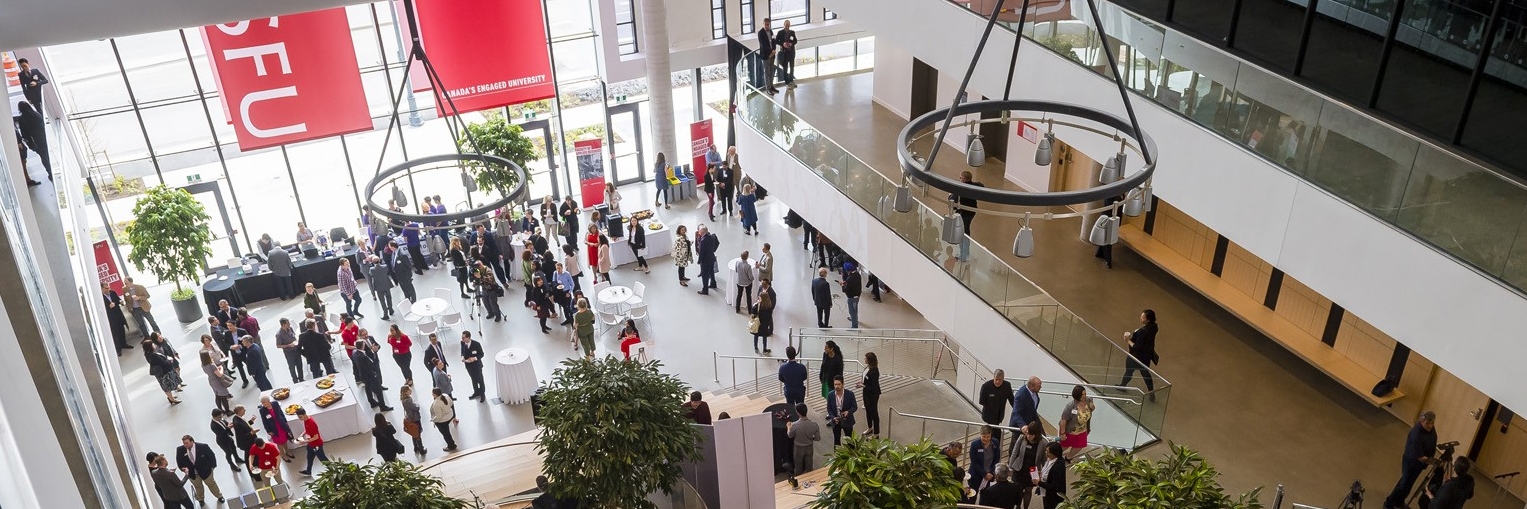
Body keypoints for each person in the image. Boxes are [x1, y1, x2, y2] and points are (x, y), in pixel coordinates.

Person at [1385, 411, 1439, 509]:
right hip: (1411, 462)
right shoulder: (1416, 434)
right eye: (1428, 423)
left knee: (1409, 484)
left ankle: (1400, 501)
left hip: (1420, 464)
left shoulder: (1431, 430)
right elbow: (1416, 454)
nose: (1430, 426)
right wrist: (1428, 460)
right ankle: (1389, 503)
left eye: (1432, 423)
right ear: (1421, 421)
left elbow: (1433, 442)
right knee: (1403, 483)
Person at [1007, 420, 1049, 509]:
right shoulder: (1022, 438)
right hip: (1019, 469)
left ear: (1036, 435)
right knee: (1018, 490)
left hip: (1032, 471)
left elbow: (1044, 460)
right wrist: (1010, 468)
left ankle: (1026, 507)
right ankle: (1017, 506)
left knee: (1028, 490)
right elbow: (1014, 453)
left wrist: (1043, 472)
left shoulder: (1043, 443)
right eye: (1028, 433)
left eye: (1031, 434)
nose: (1029, 436)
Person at [175, 435, 225, 505]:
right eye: (184, 443)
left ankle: (219, 496)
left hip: (206, 472)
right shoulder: (180, 450)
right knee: (198, 487)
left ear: (192, 441)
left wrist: (212, 467)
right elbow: (179, 462)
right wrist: (182, 469)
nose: (185, 445)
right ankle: (201, 499)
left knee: (211, 484)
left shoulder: (203, 447)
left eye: (187, 443)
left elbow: (211, 457)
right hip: (192, 474)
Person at [1120, 309, 1159, 397]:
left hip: (1136, 356)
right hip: (1146, 356)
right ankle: (1151, 393)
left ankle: (1123, 386)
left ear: (1148, 320)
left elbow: (1137, 347)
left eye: (1143, 317)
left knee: (1129, 371)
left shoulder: (1142, 332)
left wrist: (1128, 340)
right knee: (1145, 373)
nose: (1141, 318)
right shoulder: (1154, 327)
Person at [948, 170, 986, 261]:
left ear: (963, 179)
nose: (959, 179)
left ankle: (963, 255)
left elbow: (952, 199)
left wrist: (950, 195)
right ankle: (965, 253)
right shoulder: (974, 186)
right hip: (971, 212)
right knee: (966, 230)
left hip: (963, 213)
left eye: (960, 178)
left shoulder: (961, 189)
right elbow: (981, 185)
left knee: (963, 233)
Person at [15, 102, 51, 180]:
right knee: (47, 155)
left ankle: (49, 172)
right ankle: (50, 171)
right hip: (43, 138)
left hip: (35, 141)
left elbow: (24, 133)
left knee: (43, 157)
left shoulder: (22, 119)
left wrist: (29, 143)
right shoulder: (37, 115)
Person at [1057, 386, 1094, 460]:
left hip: (1082, 429)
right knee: (1064, 446)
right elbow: (1063, 420)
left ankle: (1068, 457)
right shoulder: (1070, 406)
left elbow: (1091, 407)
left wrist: (1092, 406)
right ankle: (1054, 457)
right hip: (1070, 431)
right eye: (1082, 394)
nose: (1084, 396)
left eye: (1085, 393)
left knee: (1079, 446)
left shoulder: (1088, 400)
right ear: (1077, 395)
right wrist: (1062, 433)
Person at [145, 336, 184, 405]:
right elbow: (163, 363)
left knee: (165, 386)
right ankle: (171, 399)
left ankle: (170, 397)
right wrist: (170, 360)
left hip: (160, 373)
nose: (154, 345)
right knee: (166, 386)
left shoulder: (147, 354)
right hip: (163, 373)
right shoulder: (154, 355)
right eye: (152, 344)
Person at [355, 339, 392, 410]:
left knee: (368, 388)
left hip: (363, 376)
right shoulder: (364, 357)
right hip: (370, 376)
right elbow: (368, 367)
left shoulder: (355, 353)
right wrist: (374, 374)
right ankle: (382, 406)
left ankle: (372, 402)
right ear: (363, 346)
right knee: (378, 391)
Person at [980, 370, 1014, 445]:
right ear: (993, 377)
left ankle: (994, 444)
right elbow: (982, 401)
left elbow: (1012, 399)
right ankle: (993, 445)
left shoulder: (1007, 385)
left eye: (1000, 380)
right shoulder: (986, 386)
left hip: (999, 415)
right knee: (995, 431)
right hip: (989, 414)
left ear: (1003, 379)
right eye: (996, 379)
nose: (997, 382)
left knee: (995, 430)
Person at [257, 396, 296, 462]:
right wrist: (268, 431)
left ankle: (287, 451)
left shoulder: (275, 404)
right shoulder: (262, 410)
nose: (263, 404)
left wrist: (285, 422)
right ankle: (282, 454)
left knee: (285, 440)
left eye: (264, 402)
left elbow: (281, 413)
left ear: (268, 401)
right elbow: (264, 421)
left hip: (281, 425)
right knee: (279, 443)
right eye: (262, 403)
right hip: (274, 428)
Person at [1009, 377, 1042, 453]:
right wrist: (1023, 425)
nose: (1040, 387)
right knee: (1015, 447)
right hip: (1019, 425)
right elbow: (1016, 413)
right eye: (1038, 386)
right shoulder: (1021, 395)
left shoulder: (1034, 392)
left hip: (1031, 421)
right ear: (1031, 386)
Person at [787, 403, 821, 474]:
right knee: (809, 467)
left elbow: (790, 435)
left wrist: (788, 426)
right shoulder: (814, 424)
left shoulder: (795, 425)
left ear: (798, 413)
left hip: (798, 448)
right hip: (809, 447)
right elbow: (818, 438)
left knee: (798, 467)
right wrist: (811, 438)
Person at [295, 408, 330, 476]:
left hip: (316, 445)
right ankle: (308, 471)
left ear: (304, 414)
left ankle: (333, 470)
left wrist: (305, 441)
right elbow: (307, 429)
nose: (300, 418)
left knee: (323, 459)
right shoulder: (306, 419)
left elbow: (316, 437)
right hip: (311, 444)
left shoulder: (311, 423)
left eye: (300, 417)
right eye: (298, 417)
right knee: (309, 457)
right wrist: (302, 435)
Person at [968, 426, 1002, 493]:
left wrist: (991, 472)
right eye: (983, 436)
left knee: (986, 495)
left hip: (990, 475)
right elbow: (974, 462)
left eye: (988, 437)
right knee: (972, 494)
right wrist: (984, 474)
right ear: (980, 435)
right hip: (976, 473)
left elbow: (996, 459)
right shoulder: (974, 444)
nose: (986, 439)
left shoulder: (995, 442)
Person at [1033, 443, 1067, 509]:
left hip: (1053, 497)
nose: (1046, 453)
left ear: (1055, 453)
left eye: (1048, 452)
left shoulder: (1058, 466)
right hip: (1046, 492)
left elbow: (1055, 486)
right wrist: (1041, 473)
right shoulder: (1050, 459)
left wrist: (1039, 483)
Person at [826, 376, 857, 446]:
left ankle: (851, 455)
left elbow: (854, 407)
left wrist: (848, 412)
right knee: (836, 441)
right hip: (836, 421)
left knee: (850, 441)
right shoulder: (830, 395)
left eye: (838, 384)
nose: (836, 386)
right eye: (835, 384)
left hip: (847, 420)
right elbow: (829, 409)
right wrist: (833, 417)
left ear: (843, 384)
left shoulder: (850, 394)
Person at [101, 283, 130, 355]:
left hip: (118, 315)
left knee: (121, 330)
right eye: (106, 288)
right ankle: (118, 349)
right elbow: (100, 309)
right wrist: (109, 307)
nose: (108, 289)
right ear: (102, 288)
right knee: (115, 333)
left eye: (109, 288)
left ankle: (124, 344)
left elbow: (117, 299)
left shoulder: (113, 292)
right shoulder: (100, 297)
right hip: (110, 318)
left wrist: (120, 301)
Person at [273, 317, 303, 383]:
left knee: (299, 365)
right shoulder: (279, 334)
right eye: (288, 323)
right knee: (292, 367)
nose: (289, 324)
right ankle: (295, 380)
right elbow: (278, 345)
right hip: (289, 353)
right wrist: (288, 345)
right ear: (283, 324)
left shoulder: (290, 329)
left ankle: (301, 378)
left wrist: (296, 341)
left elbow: (294, 337)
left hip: (296, 350)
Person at [401, 385, 427, 455]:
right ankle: (421, 450)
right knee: (417, 434)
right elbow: (416, 408)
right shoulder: (408, 400)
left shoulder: (404, 399)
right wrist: (417, 405)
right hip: (415, 418)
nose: (411, 390)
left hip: (410, 418)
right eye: (409, 390)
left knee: (414, 433)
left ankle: (416, 447)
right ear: (406, 392)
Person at [461, 331, 487, 401]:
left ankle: (482, 393)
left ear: (468, 337)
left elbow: (481, 354)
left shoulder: (476, 344)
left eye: (464, 338)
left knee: (480, 380)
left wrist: (474, 358)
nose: (462, 339)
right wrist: (462, 357)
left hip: (477, 366)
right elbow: (462, 352)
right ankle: (476, 392)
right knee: (473, 379)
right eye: (462, 337)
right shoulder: (462, 343)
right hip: (469, 366)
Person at [368, 255, 395, 320]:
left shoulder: (372, 269)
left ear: (372, 262)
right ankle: (390, 309)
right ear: (379, 260)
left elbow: (371, 275)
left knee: (382, 300)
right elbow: (387, 272)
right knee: (389, 297)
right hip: (386, 284)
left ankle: (385, 314)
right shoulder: (385, 266)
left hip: (378, 286)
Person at [860, 352, 881, 436]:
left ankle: (876, 433)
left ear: (870, 360)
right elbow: (865, 377)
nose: (864, 359)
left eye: (865, 358)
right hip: (866, 392)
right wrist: (862, 382)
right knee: (868, 411)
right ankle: (870, 427)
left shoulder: (874, 372)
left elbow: (874, 387)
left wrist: (863, 385)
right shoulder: (868, 367)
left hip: (872, 395)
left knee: (874, 413)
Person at [756, 18, 779, 94]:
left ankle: (771, 86)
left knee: (772, 71)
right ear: (763, 24)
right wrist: (771, 51)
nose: (767, 26)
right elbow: (763, 45)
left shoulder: (771, 31)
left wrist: (774, 50)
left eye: (768, 24)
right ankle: (768, 88)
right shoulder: (760, 33)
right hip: (765, 56)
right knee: (767, 72)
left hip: (772, 55)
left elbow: (774, 41)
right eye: (765, 24)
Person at [696, 225, 721, 294]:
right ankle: (713, 283)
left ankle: (705, 290)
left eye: (699, 231)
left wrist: (699, 261)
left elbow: (702, 252)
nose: (698, 232)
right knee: (711, 271)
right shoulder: (711, 237)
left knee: (705, 275)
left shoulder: (703, 240)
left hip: (705, 261)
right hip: (711, 258)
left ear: (702, 232)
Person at [775, 20, 799, 89]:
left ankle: (791, 80)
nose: (787, 26)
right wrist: (783, 44)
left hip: (791, 52)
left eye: (788, 25)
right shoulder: (780, 32)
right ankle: (787, 82)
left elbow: (795, 41)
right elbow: (776, 41)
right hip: (784, 53)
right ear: (784, 25)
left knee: (792, 68)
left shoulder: (792, 32)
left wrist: (791, 43)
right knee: (785, 68)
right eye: (786, 25)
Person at [752, 288, 775, 353]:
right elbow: (770, 316)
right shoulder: (769, 306)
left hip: (758, 324)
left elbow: (753, 313)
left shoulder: (757, 306)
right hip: (765, 325)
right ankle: (764, 348)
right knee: (764, 337)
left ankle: (756, 347)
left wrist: (755, 304)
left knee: (756, 335)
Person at [840, 263, 863, 328]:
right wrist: (846, 282)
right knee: (855, 309)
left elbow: (845, 290)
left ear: (848, 270)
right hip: (857, 295)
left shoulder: (849, 279)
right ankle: (854, 319)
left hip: (852, 297)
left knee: (852, 311)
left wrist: (842, 285)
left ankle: (854, 326)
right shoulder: (857, 274)